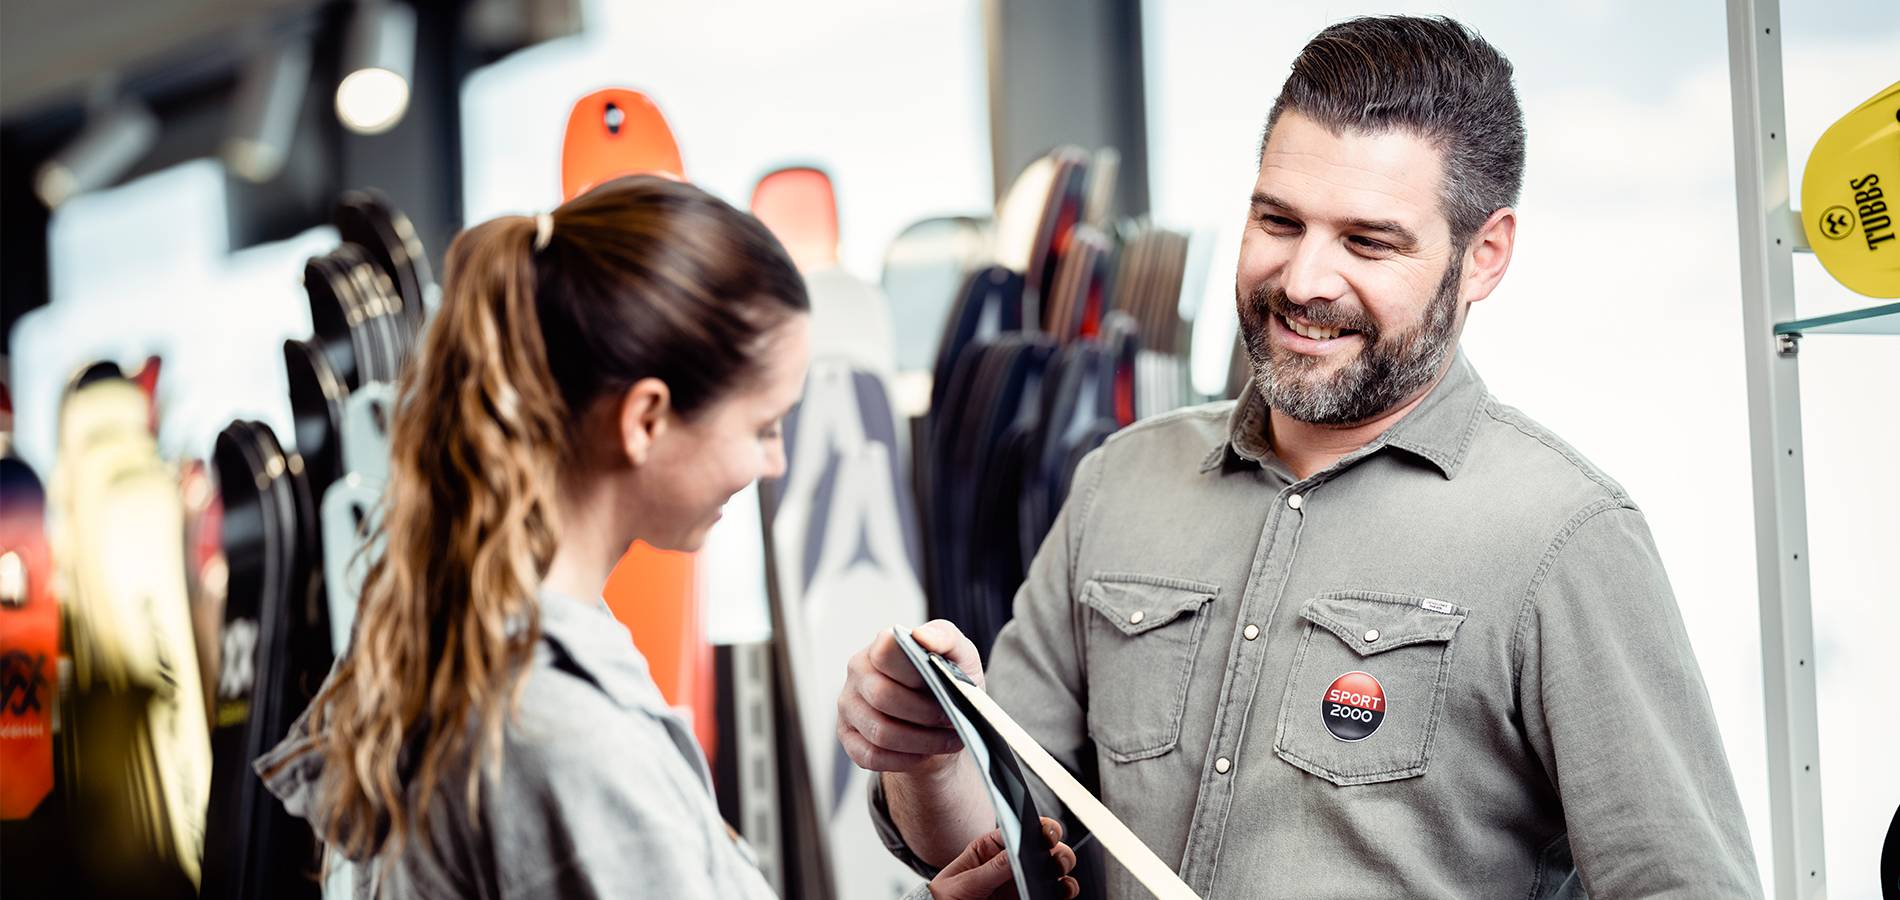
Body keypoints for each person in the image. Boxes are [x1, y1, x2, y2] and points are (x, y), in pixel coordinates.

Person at [840, 16, 1763, 899]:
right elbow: (997, 843)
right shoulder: (1118, 483)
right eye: (1279, 222)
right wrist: (928, 753)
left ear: (1483, 257)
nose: (1305, 280)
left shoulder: (1564, 539)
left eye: (1368, 241)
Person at [256, 176, 1079, 899]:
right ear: (647, 417)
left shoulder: (477, 646)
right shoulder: (560, 730)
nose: (776, 461)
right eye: (763, 427)